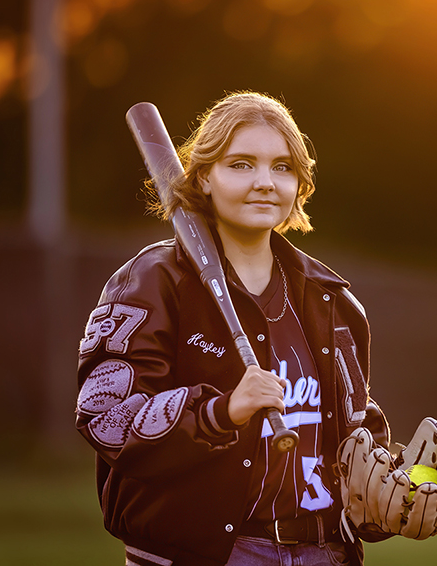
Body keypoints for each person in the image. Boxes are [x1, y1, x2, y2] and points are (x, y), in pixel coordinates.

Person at [75, 91, 390, 566]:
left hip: (325, 553)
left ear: (299, 184)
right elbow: (106, 417)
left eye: (282, 167)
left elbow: (351, 422)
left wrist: (389, 485)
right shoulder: (153, 282)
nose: (265, 182)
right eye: (241, 164)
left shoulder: (333, 300)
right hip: (212, 554)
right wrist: (220, 412)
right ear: (203, 176)